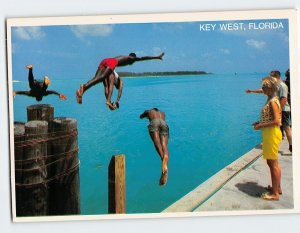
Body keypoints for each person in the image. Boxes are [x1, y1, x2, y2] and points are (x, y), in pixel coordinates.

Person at [76, 52, 165, 109]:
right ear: (132, 56)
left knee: (96, 79)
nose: (132, 63)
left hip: (105, 60)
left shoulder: (124, 57)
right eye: (132, 61)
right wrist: (157, 57)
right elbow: (144, 58)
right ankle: (85, 88)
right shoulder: (131, 58)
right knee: (102, 78)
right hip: (112, 62)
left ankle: (83, 90)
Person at [246, 70, 292, 152]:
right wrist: (252, 91)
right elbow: (263, 90)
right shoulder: (275, 85)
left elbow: (284, 99)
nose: (270, 78)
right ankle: (275, 143)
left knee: (286, 127)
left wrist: (278, 110)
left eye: (271, 76)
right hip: (278, 108)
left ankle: (291, 146)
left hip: (283, 109)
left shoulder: (282, 85)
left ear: (277, 76)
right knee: (278, 127)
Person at [252, 77, 282, 201]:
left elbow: (277, 121)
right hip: (269, 132)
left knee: (272, 163)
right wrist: (260, 121)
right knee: (272, 163)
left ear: (270, 88)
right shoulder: (271, 99)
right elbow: (270, 118)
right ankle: (277, 188)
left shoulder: (273, 101)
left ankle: (275, 194)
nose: (262, 89)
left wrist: (260, 126)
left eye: (264, 87)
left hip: (272, 133)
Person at [140, 108, 169, 186]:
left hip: (154, 122)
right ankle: (165, 158)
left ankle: (162, 158)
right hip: (164, 124)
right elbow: (162, 121)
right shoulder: (162, 113)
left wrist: (145, 115)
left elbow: (141, 116)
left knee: (157, 143)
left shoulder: (149, 111)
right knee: (164, 145)